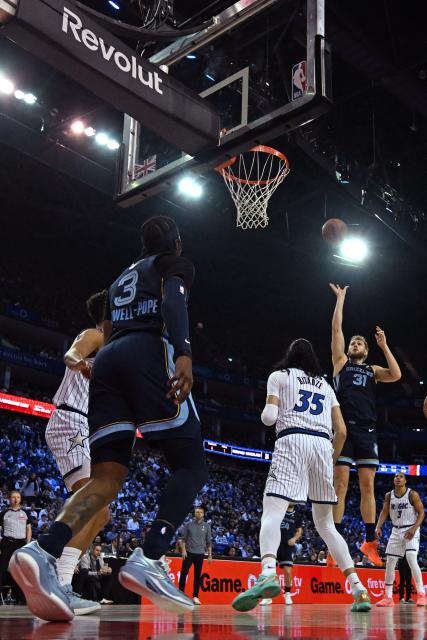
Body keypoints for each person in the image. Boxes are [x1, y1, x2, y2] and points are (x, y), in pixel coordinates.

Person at [10, 216, 208, 621]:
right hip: (145, 351)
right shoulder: (174, 263)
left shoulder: (119, 279)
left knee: (106, 478)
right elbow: (173, 303)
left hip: (109, 363)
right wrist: (184, 353)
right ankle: (151, 556)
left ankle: (42, 548)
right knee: (191, 464)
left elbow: (107, 327)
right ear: (177, 244)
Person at [231, 339, 371, 613]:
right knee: (326, 526)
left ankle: (268, 572)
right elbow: (341, 431)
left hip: (292, 441)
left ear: (289, 355)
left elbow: (269, 418)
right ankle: (359, 589)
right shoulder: (327, 387)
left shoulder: (279, 376)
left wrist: (268, 409)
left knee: (272, 513)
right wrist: (329, 461)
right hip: (322, 446)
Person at [43, 291, 109, 616]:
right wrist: (80, 363)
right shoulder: (95, 334)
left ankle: (63, 580)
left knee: (103, 512)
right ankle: (57, 581)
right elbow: (71, 353)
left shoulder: (113, 350)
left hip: (83, 426)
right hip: (70, 418)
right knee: (89, 500)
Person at [328, 284, 401, 568]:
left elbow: (396, 374)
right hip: (344, 429)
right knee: (341, 484)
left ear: (366, 351)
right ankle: (334, 544)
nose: (354, 345)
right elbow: (336, 330)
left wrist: (384, 345)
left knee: (367, 485)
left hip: (367, 430)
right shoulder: (341, 363)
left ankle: (370, 541)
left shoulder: (372, 370)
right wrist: (341, 300)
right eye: (353, 343)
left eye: (360, 343)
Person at [375, 473, 425, 607]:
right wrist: (378, 526)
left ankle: (421, 594)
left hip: (410, 529)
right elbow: (384, 511)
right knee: (390, 562)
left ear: (405, 480)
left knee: (411, 557)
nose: (398, 478)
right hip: (396, 530)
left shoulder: (412, 494)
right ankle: (388, 597)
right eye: (396, 476)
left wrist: (414, 528)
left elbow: (421, 512)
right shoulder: (388, 495)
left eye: (401, 476)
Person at [260, 503, 302, 606]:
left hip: (287, 545)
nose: (291, 501)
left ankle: (287, 593)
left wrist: (294, 539)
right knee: (269, 569)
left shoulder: (298, 515)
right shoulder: (279, 509)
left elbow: (299, 530)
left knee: (287, 570)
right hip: (274, 542)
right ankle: (268, 596)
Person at [0, 491, 31, 603]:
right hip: (7, 543)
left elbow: (28, 530)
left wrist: (27, 545)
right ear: (9, 499)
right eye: (13, 497)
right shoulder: (4, 513)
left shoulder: (25, 512)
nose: (16, 499)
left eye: (18, 497)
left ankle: (21, 598)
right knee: (2, 569)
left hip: (21, 544)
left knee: (21, 571)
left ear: (20, 499)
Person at [179, 506, 212, 605]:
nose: (198, 513)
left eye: (200, 512)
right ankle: (180, 594)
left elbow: (208, 542)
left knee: (197, 576)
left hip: (200, 554)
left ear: (203, 514)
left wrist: (209, 555)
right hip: (188, 553)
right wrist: (183, 551)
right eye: (197, 512)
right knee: (184, 572)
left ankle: (195, 597)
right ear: (194, 513)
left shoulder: (207, 526)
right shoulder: (188, 525)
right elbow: (183, 539)